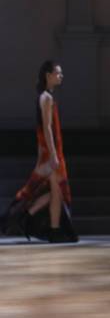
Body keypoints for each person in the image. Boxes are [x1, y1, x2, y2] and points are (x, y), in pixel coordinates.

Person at [0, 60, 78, 243]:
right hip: (51, 152)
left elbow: (43, 130)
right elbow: (47, 128)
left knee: (54, 192)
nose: (61, 76)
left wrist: (45, 154)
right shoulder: (46, 98)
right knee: (54, 191)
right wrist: (52, 155)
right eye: (58, 73)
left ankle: (28, 217)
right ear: (48, 75)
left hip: (48, 151)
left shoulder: (46, 97)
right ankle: (50, 228)